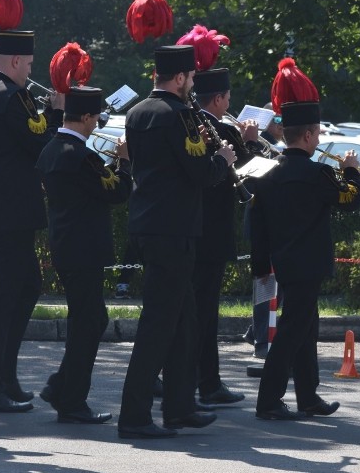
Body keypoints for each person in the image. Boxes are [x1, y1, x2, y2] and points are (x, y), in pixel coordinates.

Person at [117, 45, 235, 439]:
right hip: (174, 229)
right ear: (181, 78)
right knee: (159, 325)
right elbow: (200, 172)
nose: (191, 85)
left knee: (185, 322)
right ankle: (134, 415)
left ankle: (179, 406)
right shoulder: (180, 115)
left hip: (150, 225)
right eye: (191, 78)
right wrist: (224, 158)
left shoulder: (137, 113)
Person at [251, 58, 360, 421]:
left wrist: (260, 264)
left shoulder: (270, 172)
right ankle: (268, 399)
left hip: (283, 260)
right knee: (291, 332)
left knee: (305, 328)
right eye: (318, 134)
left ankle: (308, 395)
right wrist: (351, 173)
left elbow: (258, 223)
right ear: (311, 135)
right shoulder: (319, 173)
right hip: (309, 263)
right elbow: (351, 201)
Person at [0, 30, 63, 413]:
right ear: (16, 62)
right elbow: (42, 145)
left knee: (25, 288)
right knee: (2, 296)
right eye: (29, 64)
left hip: (0, 207)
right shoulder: (10, 96)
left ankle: (3, 375)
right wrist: (58, 111)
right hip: (10, 210)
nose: (30, 71)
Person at [36, 86, 132, 423]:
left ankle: (61, 387)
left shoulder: (52, 149)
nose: (97, 125)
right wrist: (124, 161)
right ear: (87, 118)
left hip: (67, 244)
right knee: (88, 322)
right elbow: (117, 191)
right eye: (95, 119)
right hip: (83, 248)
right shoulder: (80, 155)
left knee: (89, 319)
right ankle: (72, 400)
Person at [191, 67, 260, 406]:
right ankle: (206, 382)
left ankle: (201, 379)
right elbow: (245, 175)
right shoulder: (218, 130)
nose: (229, 104)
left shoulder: (198, 125)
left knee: (197, 309)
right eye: (228, 99)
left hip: (197, 231)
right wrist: (248, 142)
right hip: (211, 232)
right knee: (204, 311)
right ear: (217, 99)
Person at [243, 106, 285, 358]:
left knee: (277, 288)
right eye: (277, 119)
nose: (281, 124)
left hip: (277, 225)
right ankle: (260, 339)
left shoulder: (276, 146)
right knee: (266, 284)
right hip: (263, 225)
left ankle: (255, 331)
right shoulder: (259, 145)